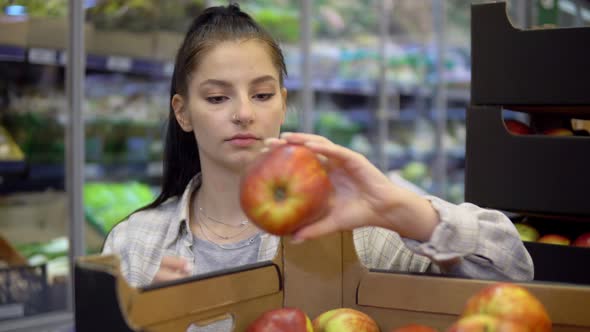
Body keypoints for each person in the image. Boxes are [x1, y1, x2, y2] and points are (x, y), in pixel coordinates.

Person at [102, 3, 533, 291]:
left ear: (284, 104)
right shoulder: (134, 246)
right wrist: (140, 315)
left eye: (263, 94)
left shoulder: (348, 228)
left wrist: (398, 208)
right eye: (217, 98)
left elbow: (513, 273)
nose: (244, 113)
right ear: (183, 112)